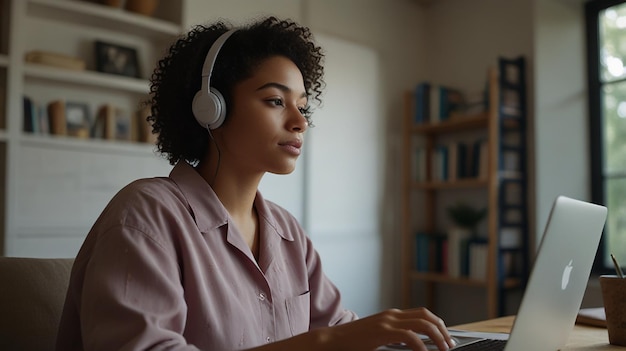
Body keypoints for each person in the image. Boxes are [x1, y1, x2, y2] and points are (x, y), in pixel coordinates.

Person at [56, 16, 456, 351]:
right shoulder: (145, 215)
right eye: (275, 101)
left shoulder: (287, 234)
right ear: (210, 108)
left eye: (302, 106)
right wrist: (323, 343)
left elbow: (342, 329)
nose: (299, 122)